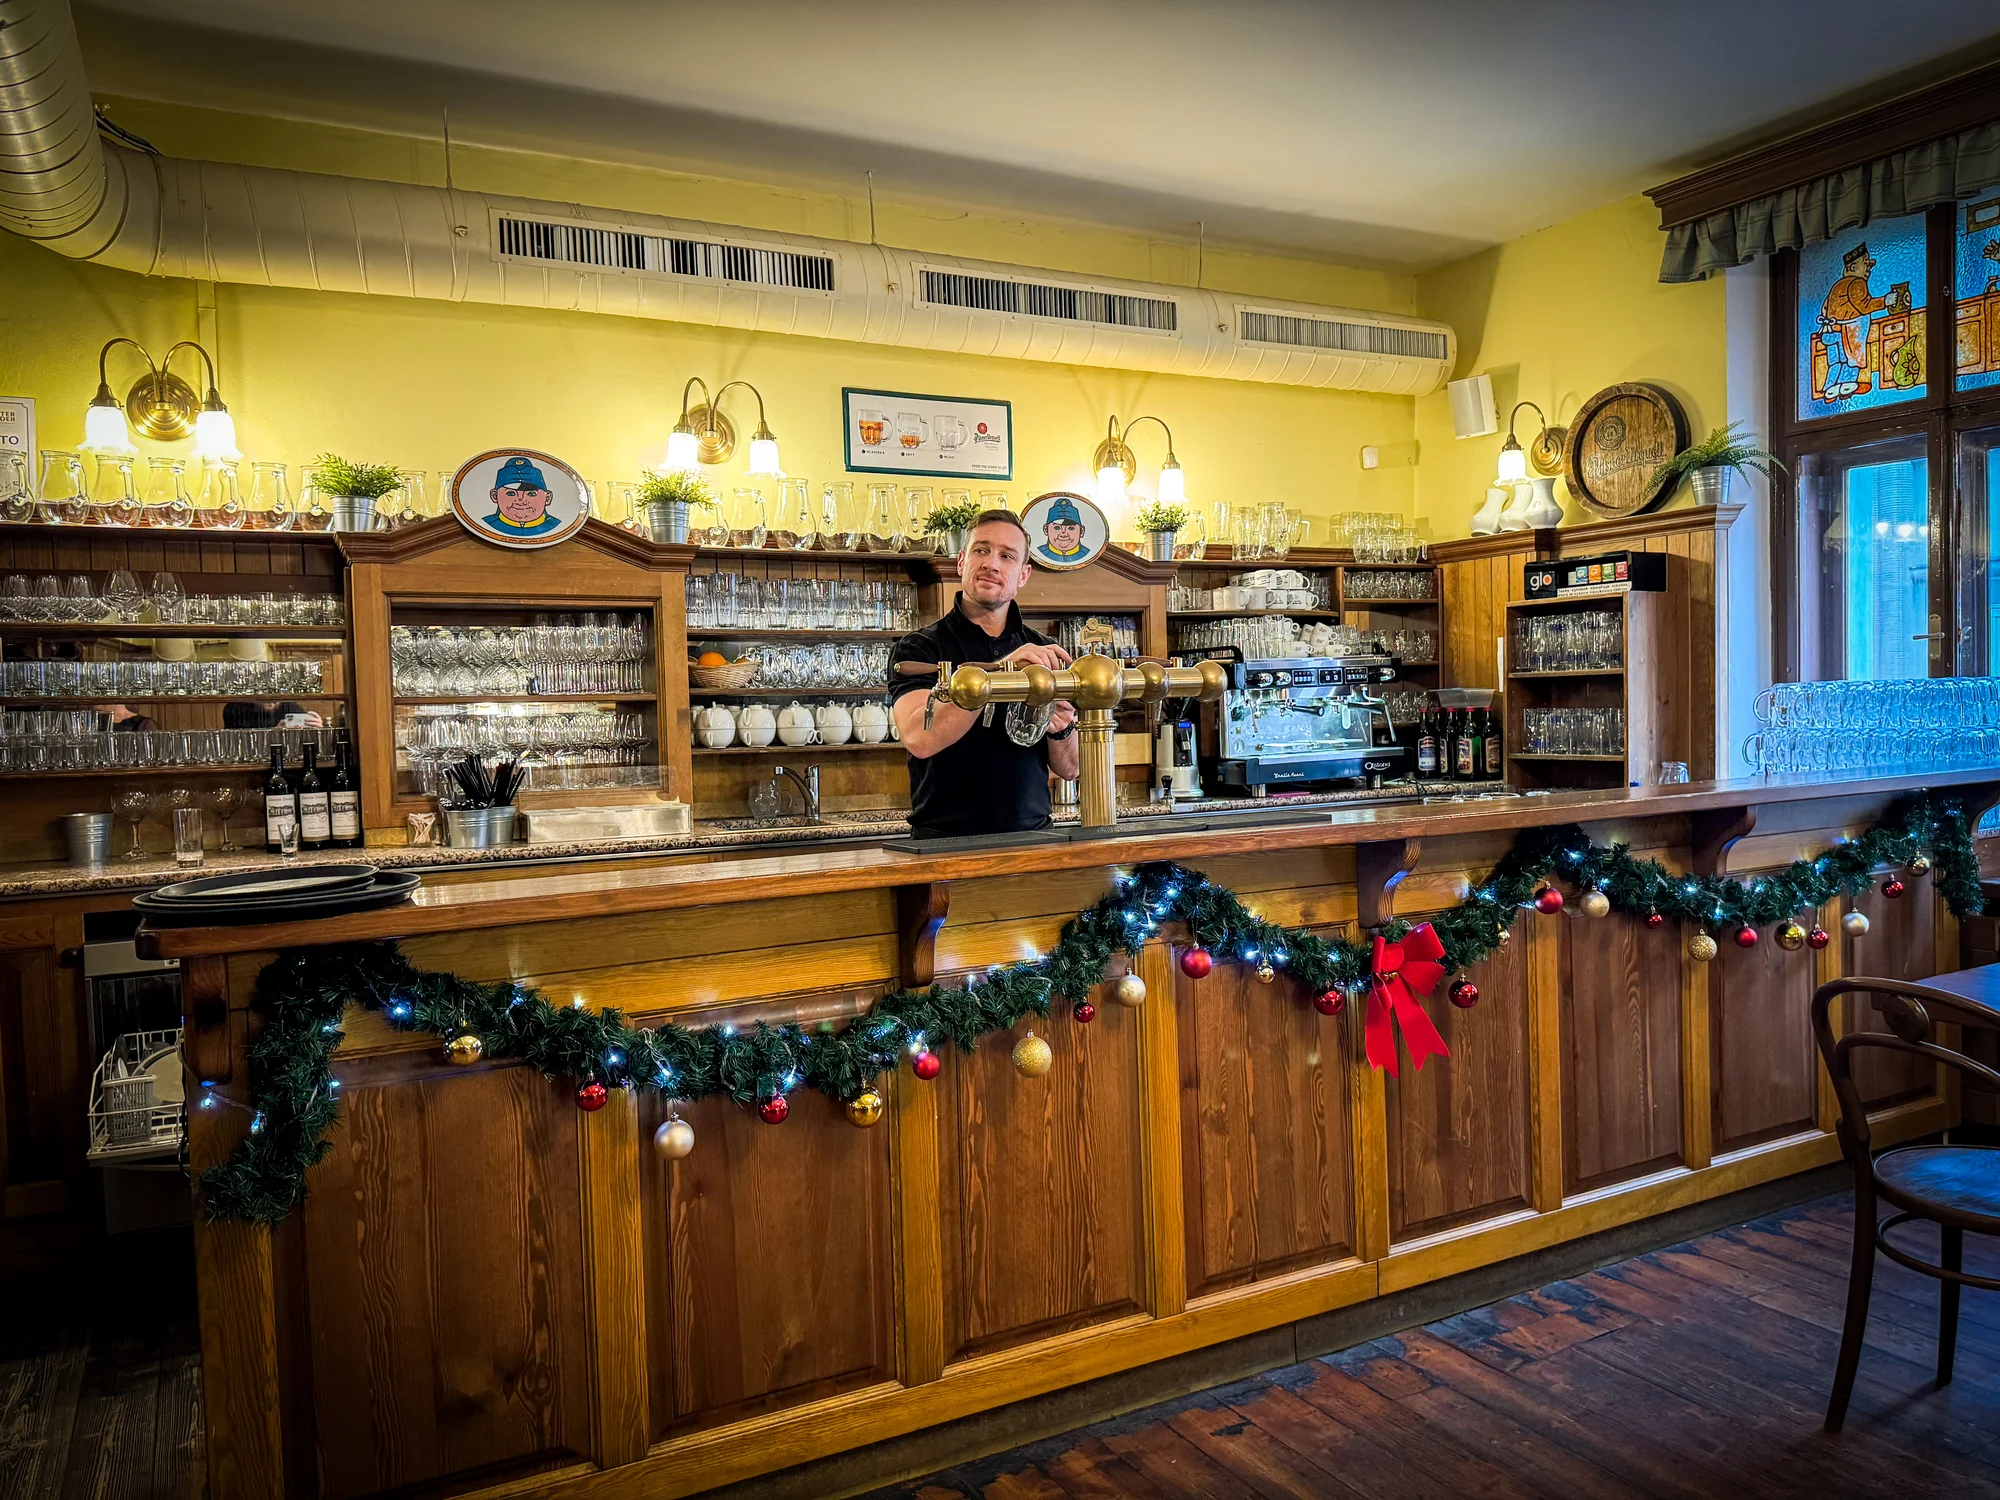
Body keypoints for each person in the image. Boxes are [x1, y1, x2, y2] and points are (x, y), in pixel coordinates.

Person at [889, 510, 1079, 838]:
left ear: (1023, 575)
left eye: (1007, 556)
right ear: (962, 562)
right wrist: (1005, 671)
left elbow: (1071, 768)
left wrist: (1061, 730)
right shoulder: (919, 649)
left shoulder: (1044, 651)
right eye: (981, 550)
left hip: (1034, 840)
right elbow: (920, 739)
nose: (992, 564)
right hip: (943, 843)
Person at [484, 455, 563, 537]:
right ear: (495, 496)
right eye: (511, 493)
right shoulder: (486, 525)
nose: (521, 502)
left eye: (531, 494)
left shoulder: (556, 527)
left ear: (547, 498)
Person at [1035, 495, 1088, 564]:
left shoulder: (1087, 554)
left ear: (1081, 531)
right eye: (1057, 528)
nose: (1063, 534)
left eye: (1071, 528)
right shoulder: (1039, 553)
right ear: (1046, 530)